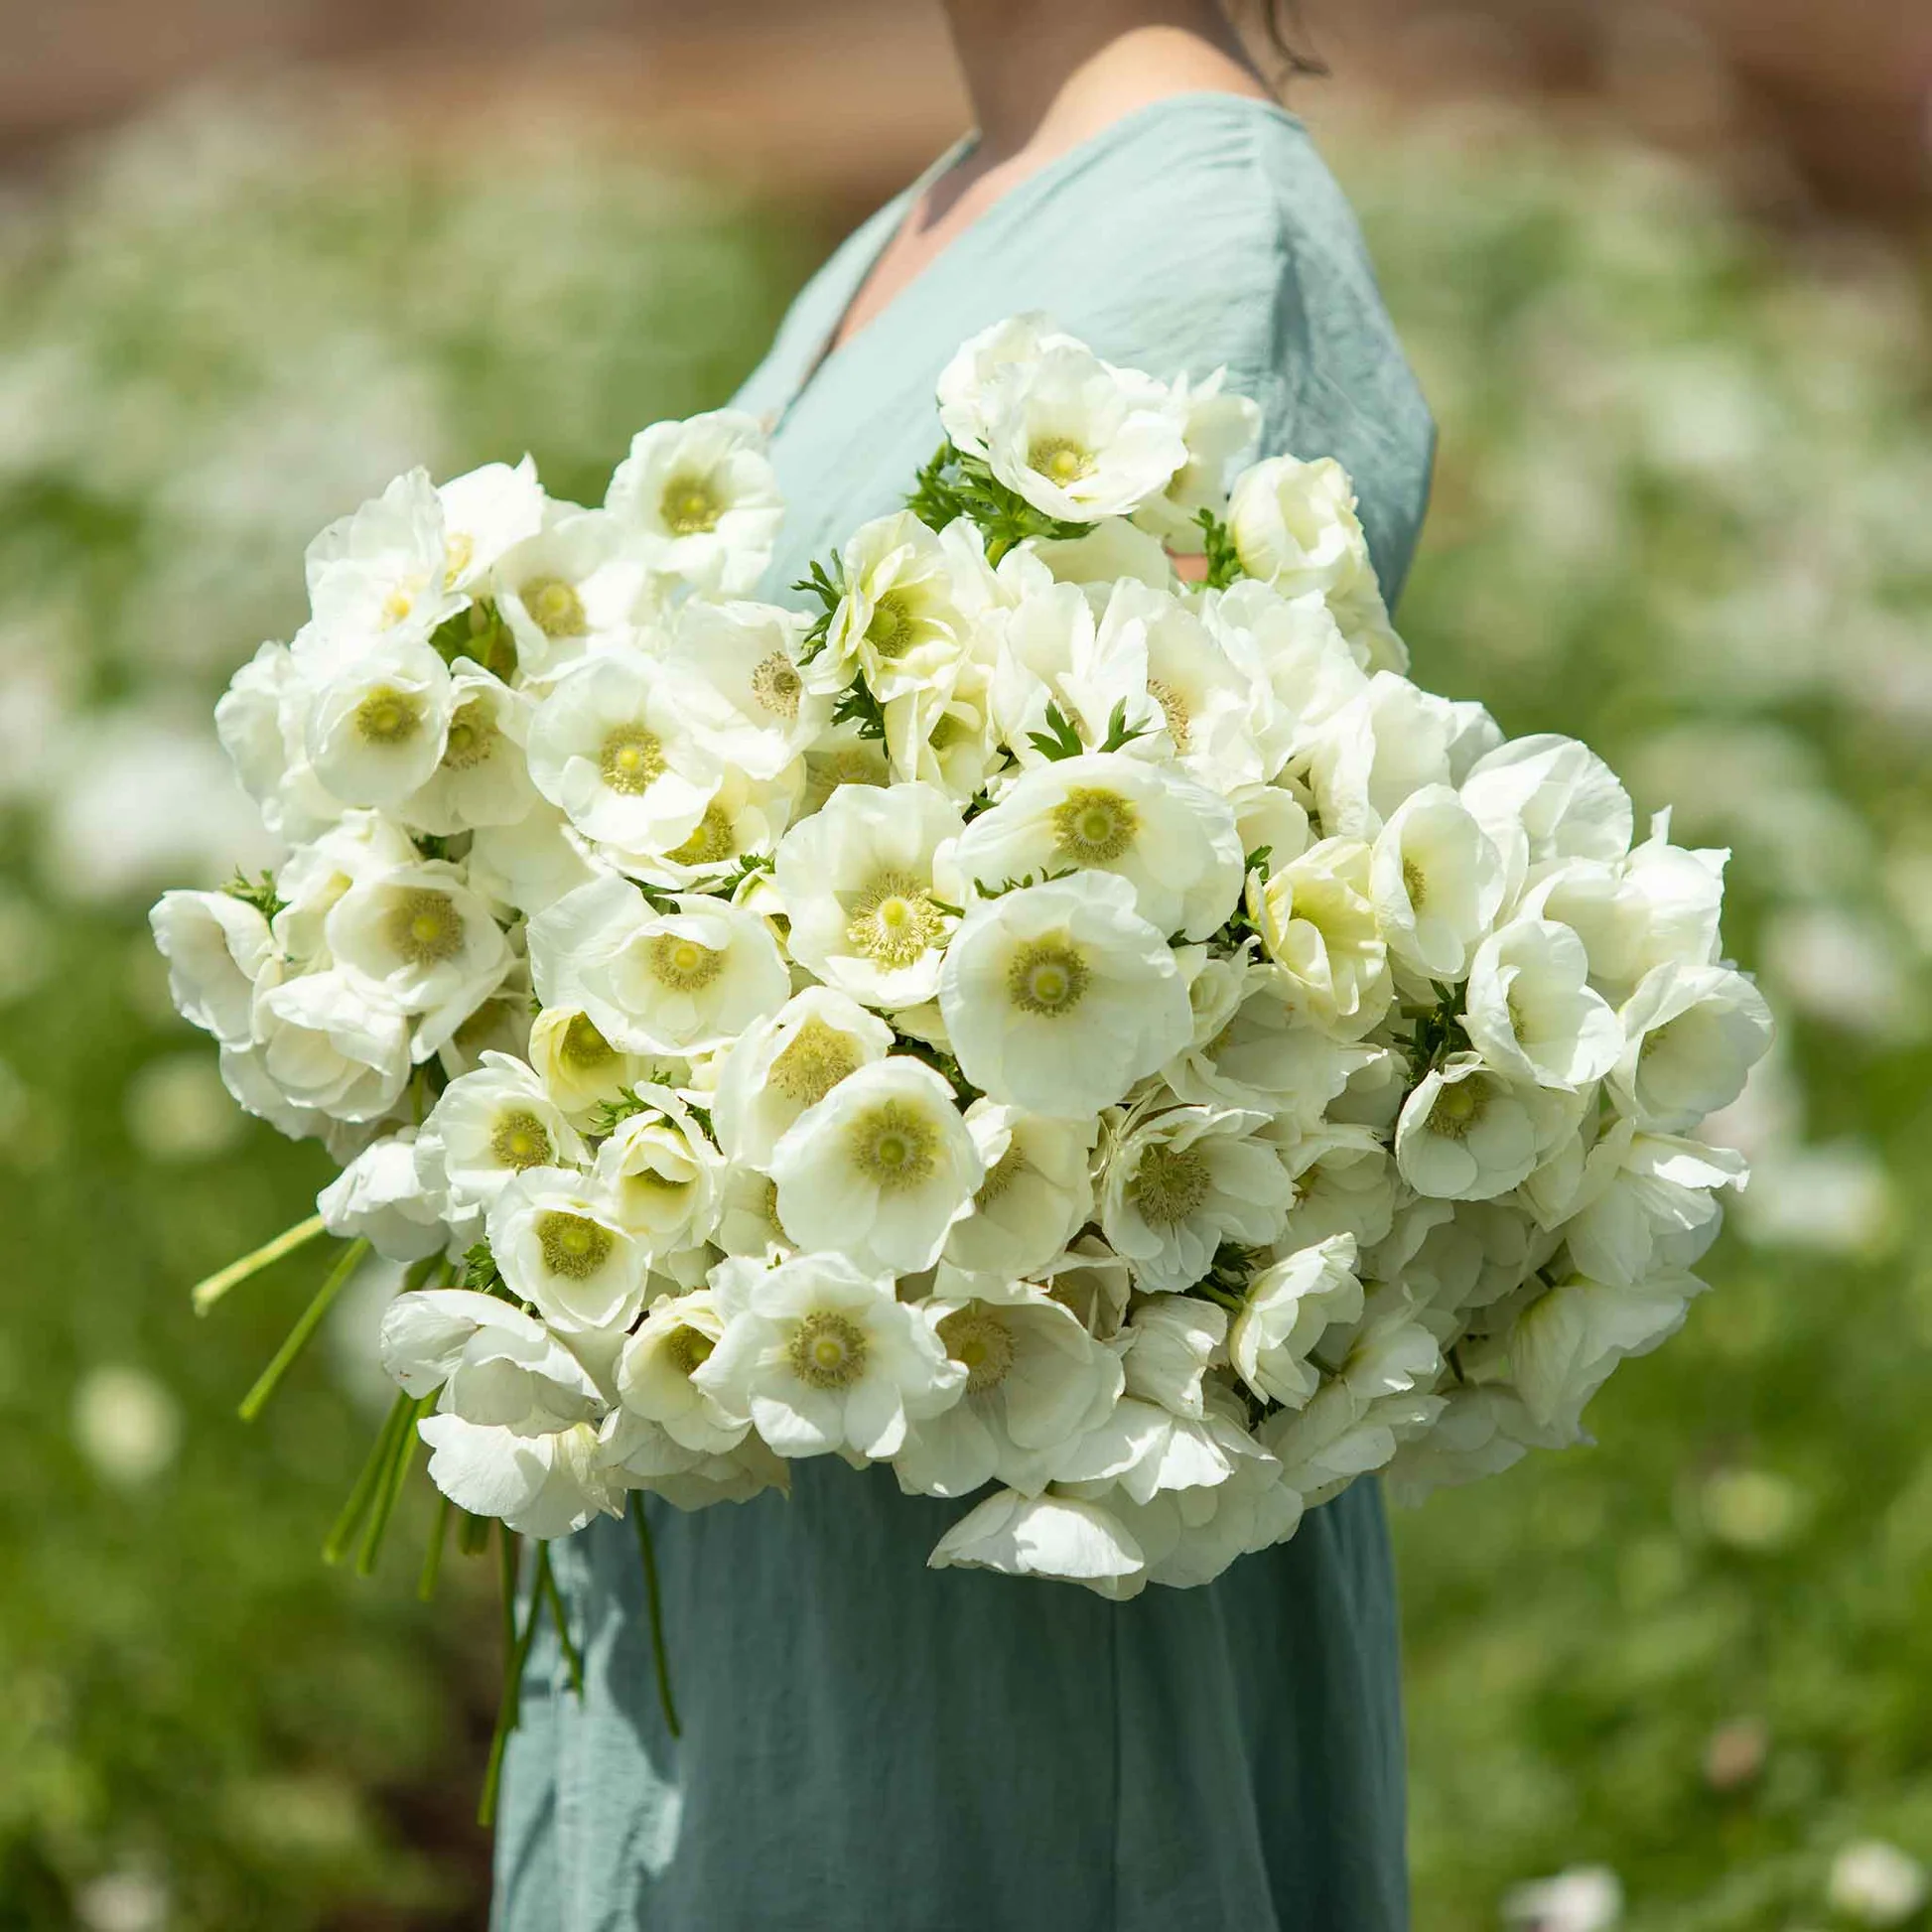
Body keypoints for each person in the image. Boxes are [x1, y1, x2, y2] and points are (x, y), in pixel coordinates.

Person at [494, 4, 1431, 1925]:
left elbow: (1139, 949)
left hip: (984, 1521)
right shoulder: (957, 192)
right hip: (788, 1448)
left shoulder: (1201, 231)